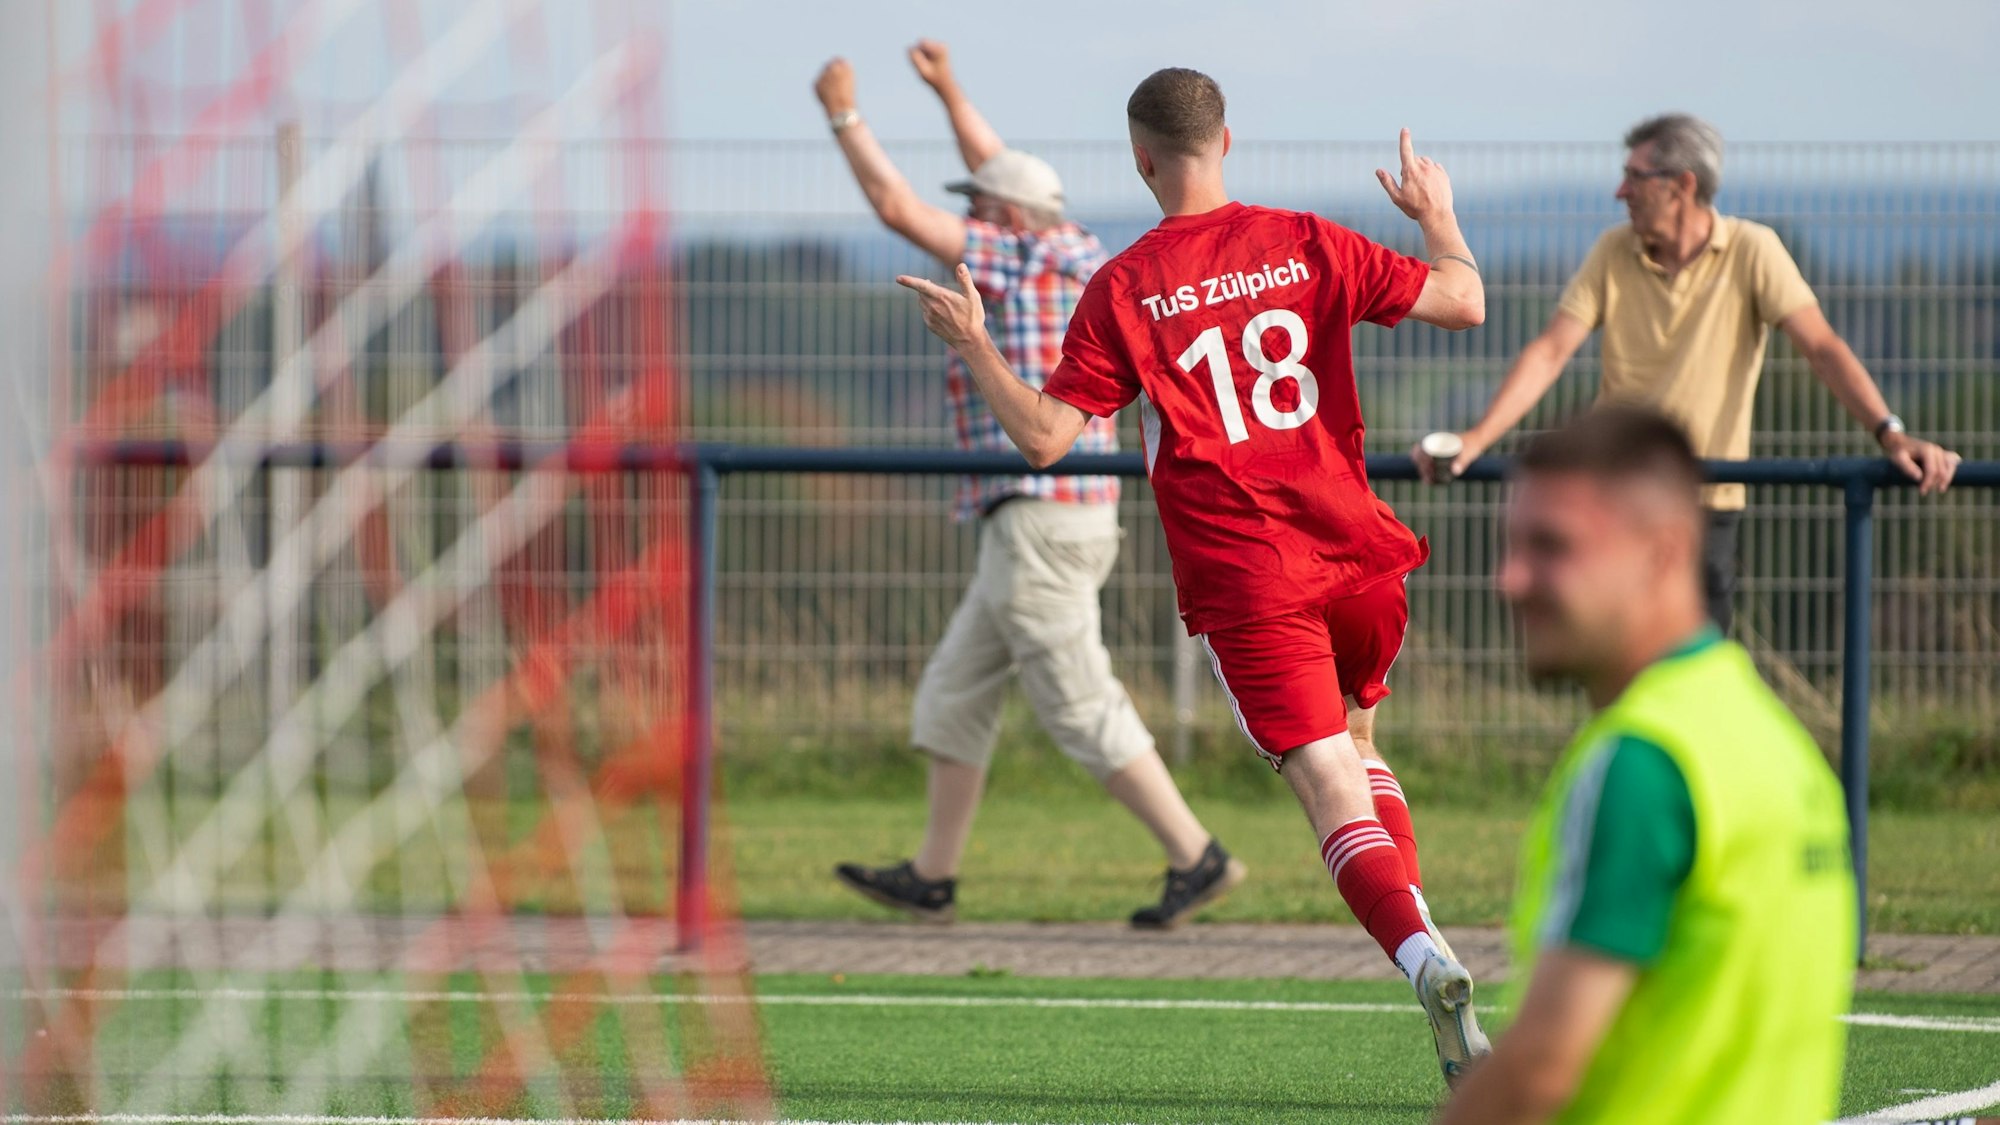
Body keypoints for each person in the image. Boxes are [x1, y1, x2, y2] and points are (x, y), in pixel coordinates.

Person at [897, 66, 1491, 1086]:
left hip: (1249, 574)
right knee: (1357, 739)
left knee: (1324, 788)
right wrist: (1436, 216)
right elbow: (1462, 300)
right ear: (1227, 141)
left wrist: (975, 348)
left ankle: (1423, 957)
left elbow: (1043, 439)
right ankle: (1428, 949)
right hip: (1355, 555)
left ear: (1140, 159)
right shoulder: (1306, 240)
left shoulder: (1125, 284)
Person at [813, 43, 1244, 930]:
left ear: (1007, 219)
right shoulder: (1069, 242)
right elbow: (998, 171)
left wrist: (844, 116)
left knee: (1079, 699)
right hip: (1057, 517)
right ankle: (932, 874)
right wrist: (948, 91)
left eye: (981, 211)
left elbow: (897, 206)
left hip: (1040, 517)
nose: (971, 218)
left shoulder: (1011, 257)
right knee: (956, 692)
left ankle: (1196, 854)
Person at [1436, 406, 1856, 1123]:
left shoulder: (1642, 759)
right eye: (1512, 545)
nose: (1510, 579)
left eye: (1552, 546)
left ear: (1662, 553)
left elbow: (1542, 1065)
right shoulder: (1775, 738)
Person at [1414, 113, 1961, 631]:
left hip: (1705, 505)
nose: (1620, 191)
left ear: (1681, 186)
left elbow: (1822, 348)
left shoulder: (1753, 250)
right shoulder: (1613, 250)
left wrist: (1889, 433)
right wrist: (1477, 440)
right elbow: (1550, 352)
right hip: (1619, 499)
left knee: (1692, 674)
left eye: (1634, 176)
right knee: (1616, 663)